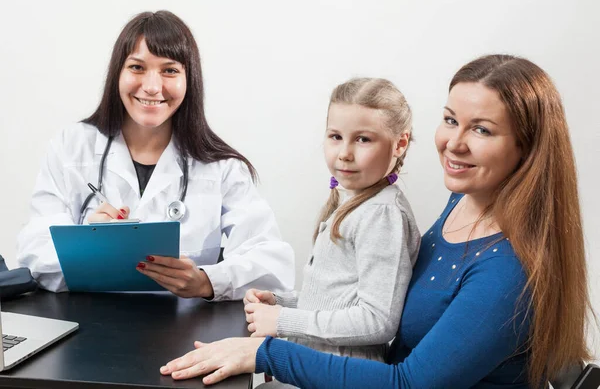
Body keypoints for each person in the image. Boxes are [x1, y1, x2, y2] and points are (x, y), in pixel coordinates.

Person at [159, 54, 593, 388]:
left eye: (481, 130)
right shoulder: (462, 205)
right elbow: (377, 295)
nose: (453, 144)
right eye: (450, 120)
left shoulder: (507, 272)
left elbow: (408, 383)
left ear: (526, 148)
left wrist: (264, 353)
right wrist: (286, 307)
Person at [16, 10, 295, 301]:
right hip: (84, 324)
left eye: (169, 70)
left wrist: (206, 281)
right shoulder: (70, 146)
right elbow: (33, 249)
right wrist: (90, 244)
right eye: (137, 67)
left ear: (190, 80)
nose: (151, 87)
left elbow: (272, 263)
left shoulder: (222, 167)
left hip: (184, 332)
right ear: (117, 74)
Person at [242, 78, 420, 362]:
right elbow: (335, 298)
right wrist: (281, 303)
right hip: (315, 367)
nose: (345, 153)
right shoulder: (353, 200)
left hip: (342, 374)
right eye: (335, 136)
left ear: (399, 143)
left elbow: (377, 320)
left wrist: (283, 320)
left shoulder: (381, 215)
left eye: (363, 139)